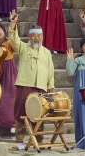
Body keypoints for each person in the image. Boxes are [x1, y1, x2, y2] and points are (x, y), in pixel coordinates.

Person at [8, 11, 55, 143]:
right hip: (25, 84)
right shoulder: (23, 47)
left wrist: (50, 85)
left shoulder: (46, 52)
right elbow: (14, 40)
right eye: (33, 35)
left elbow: (50, 70)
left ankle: (38, 140)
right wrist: (13, 23)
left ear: (42, 37)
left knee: (40, 114)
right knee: (21, 113)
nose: (36, 38)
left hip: (41, 87)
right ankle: (19, 140)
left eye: (39, 35)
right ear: (29, 37)